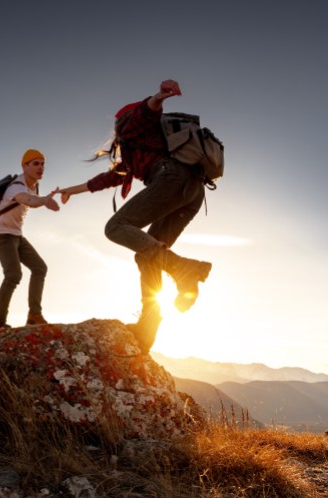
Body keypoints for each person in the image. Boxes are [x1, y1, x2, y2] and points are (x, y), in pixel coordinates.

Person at [58, 80, 212, 353]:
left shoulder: (133, 125)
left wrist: (158, 97)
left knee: (116, 226)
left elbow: (148, 110)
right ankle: (147, 331)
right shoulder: (137, 151)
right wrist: (71, 190)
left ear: (123, 120)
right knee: (146, 253)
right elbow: (106, 179)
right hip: (193, 193)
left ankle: (182, 268)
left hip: (171, 180)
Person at [0, 149, 60, 327]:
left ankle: (34, 315)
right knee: (13, 275)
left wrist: (43, 200)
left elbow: (32, 200)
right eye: (36, 163)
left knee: (40, 268)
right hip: (1, 234)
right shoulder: (17, 185)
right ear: (24, 166)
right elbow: (27, 199)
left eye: (43, 164)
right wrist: (43, 201)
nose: (41, 167)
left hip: (16, 235)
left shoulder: (33, 185)